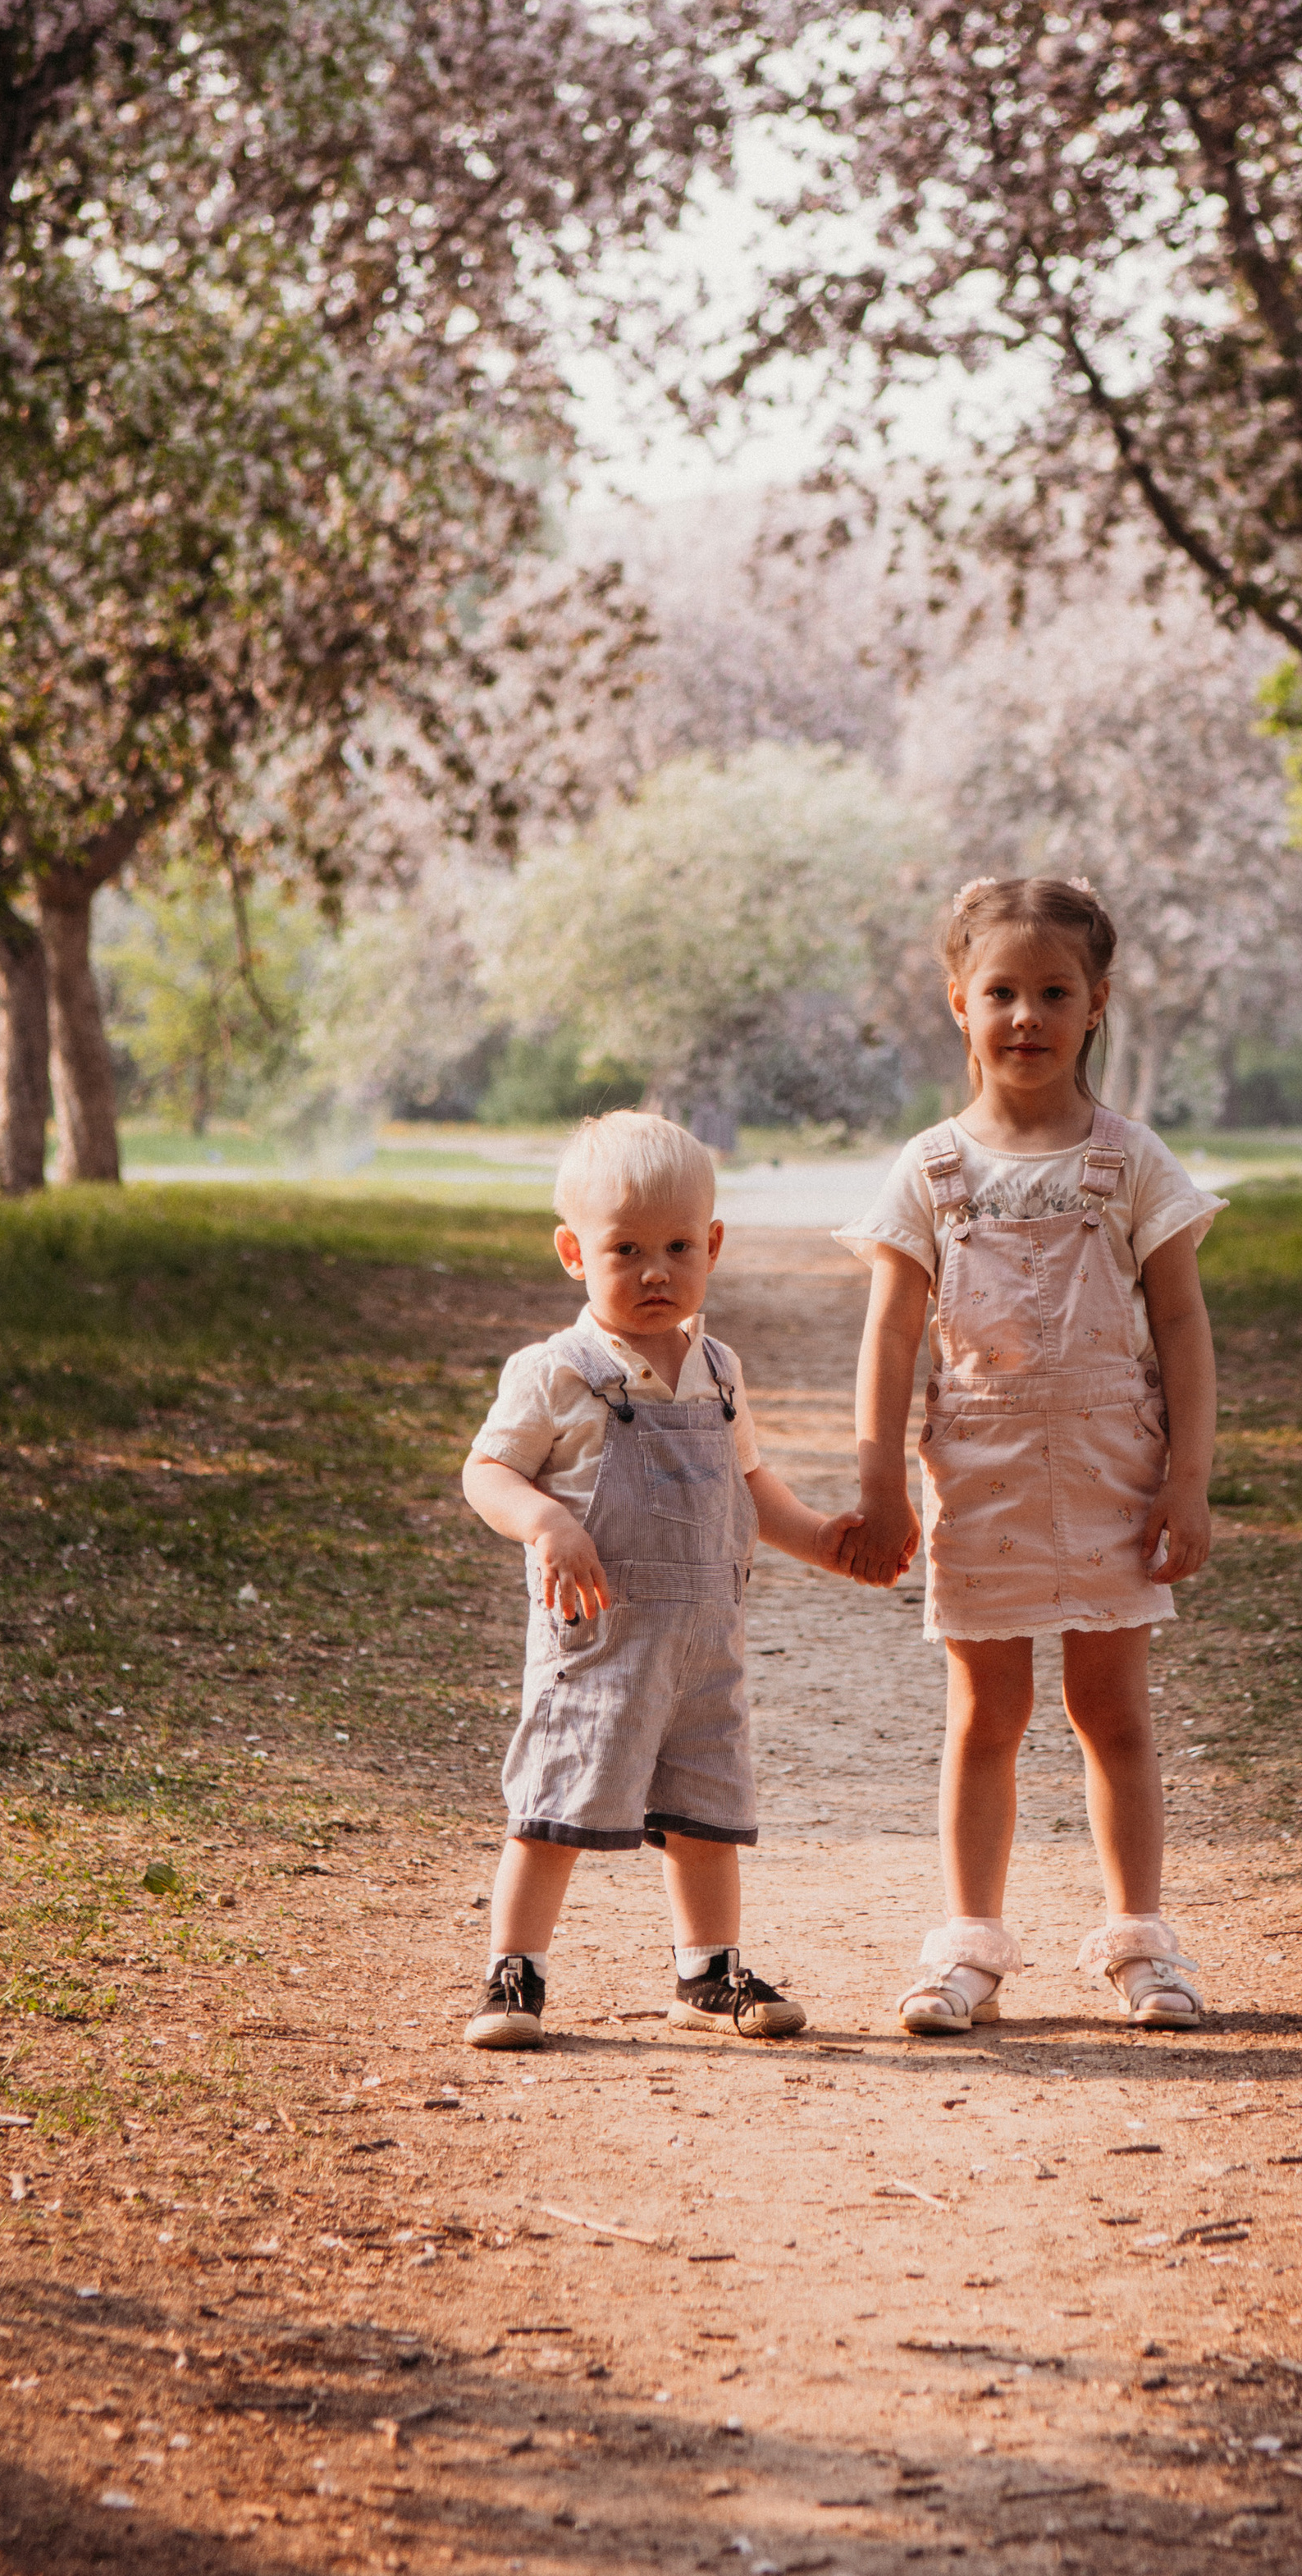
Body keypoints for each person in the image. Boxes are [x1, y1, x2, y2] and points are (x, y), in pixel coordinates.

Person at [837, 875, 1225, 2034]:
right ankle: (967, 1948)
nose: (1026, 1017)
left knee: (1112, 1713)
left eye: (1054, 992)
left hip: (1114, 1474)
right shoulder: (931, 1170)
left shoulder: (1130, 1161)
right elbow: (894, 1331)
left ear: (1096, 1004)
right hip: (983, 1474)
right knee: (984, 1714)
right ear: (959, 1003)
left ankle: (1142, 1943)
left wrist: (1189, 1478)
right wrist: (873, 1477)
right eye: (1001, 991)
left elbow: (1184, 1326)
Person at [461, 1107, 867, 2050]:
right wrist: (546, 1520)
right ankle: (514, 1972)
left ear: (714, 1245)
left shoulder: (718, 1370)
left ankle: (708, 1970)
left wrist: (825, 1541)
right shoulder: (555, 1373)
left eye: (679, 1246)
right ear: (572, 1253)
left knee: (708, 1807)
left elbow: (749, 1485)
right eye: (625, 1249)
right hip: (597, 1637)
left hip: (701, 1643)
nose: (655, 1271)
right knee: (556, 1801)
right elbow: (486, 1472)